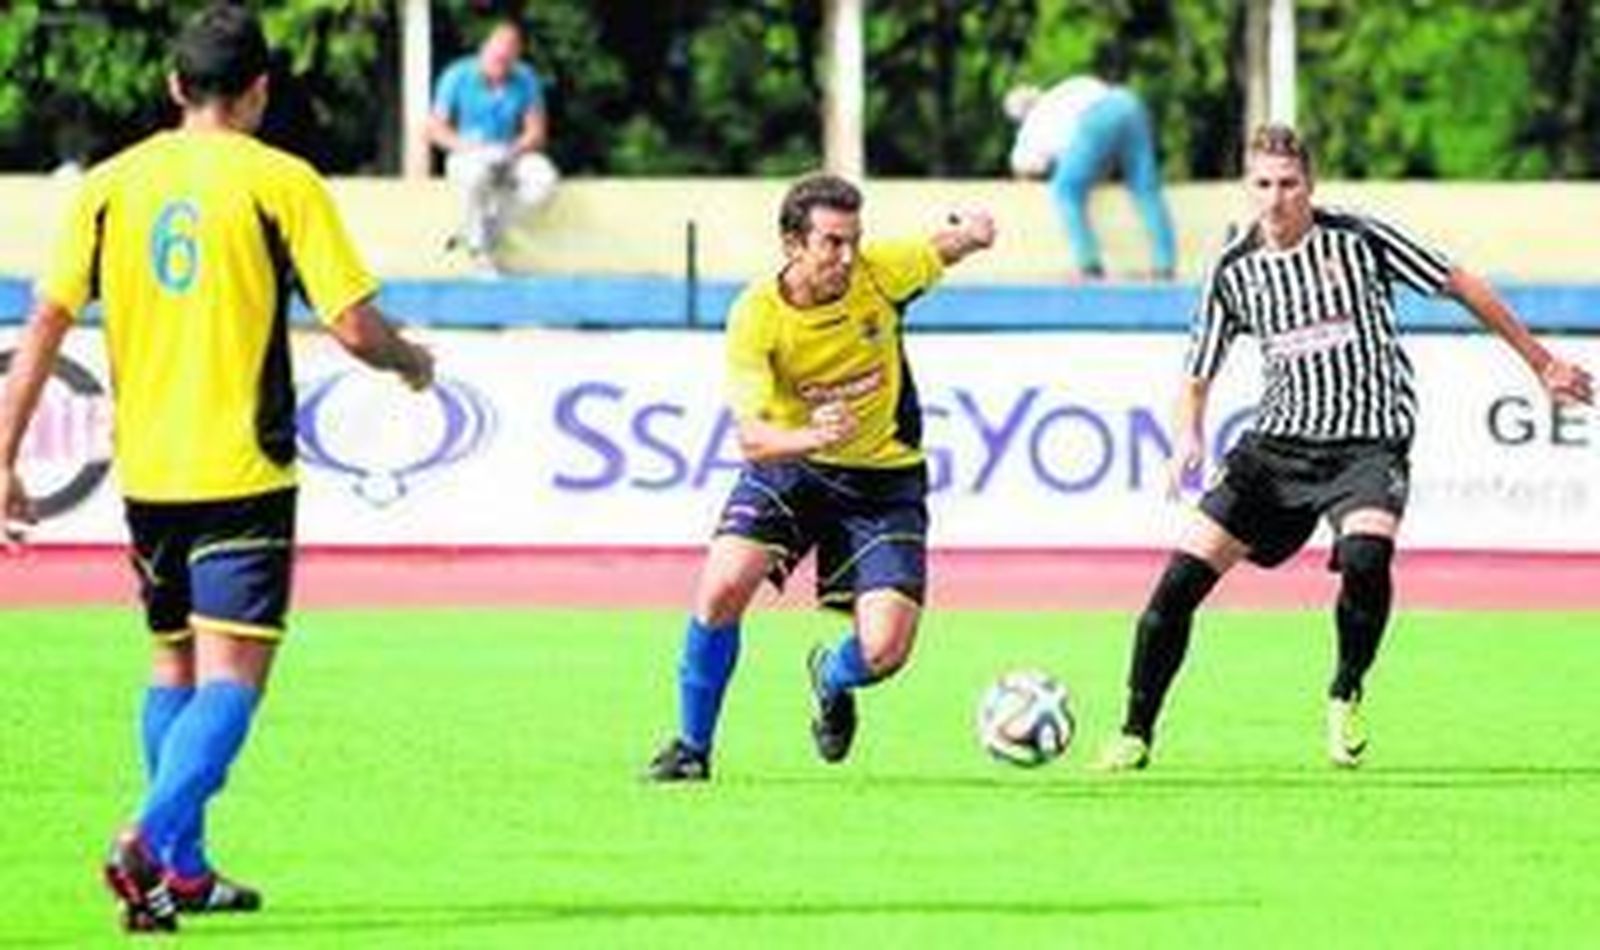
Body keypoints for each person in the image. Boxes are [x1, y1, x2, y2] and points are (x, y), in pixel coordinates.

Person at [0, 5, 434, 932]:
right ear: (259, 92)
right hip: (243, 467)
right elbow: (354, 327)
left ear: (173, 86)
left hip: (147, 473)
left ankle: (183, 873)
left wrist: (3, 457)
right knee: (235, 674)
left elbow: (44, 323)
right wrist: (412, 362)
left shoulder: (109, 185)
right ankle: (146, 839)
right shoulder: (282, 180)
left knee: (172, 662)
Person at [1092, 124, 1593, 773]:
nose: (1276, 198)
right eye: (1263, 184)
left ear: (1310, 184)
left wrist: (1542, 362)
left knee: (1365, 556)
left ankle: (1345, 689)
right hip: (1275, 450)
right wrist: (1187, 432)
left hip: (1368, 442)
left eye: (1288, 184)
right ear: (1247, 187)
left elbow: (1462, 283)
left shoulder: (1360, 239)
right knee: (1177, 585)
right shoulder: (1232, 269)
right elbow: (1196, 374)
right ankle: (1135, 733)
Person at [645, 174, 996, 781]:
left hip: (884, 480)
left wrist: (974, 233)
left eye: (854, 240)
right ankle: (691, 748)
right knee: (722, 586)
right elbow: (751, 437)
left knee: (885, 651)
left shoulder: (880, 273)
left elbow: (939, 248)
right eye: (832, 242)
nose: (847, 256)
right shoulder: (757, 314)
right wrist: (810, 437)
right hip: (791, 467)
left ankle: (831, 677)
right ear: (792, 244)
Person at [1005, 75, 1176, 281]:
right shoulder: (1065, 89)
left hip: (1097, 118)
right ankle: (1165, 265)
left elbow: (1022, 166)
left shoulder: (1032, 126)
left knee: (1065, 190)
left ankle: (1089, 264)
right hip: (1128, 103)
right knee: (1146, 190)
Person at [426, 19, 558, 268]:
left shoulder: (525, 77)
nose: (501, 64)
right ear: (484, 49)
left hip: (510, 150)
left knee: (544, 180)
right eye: (497, 57)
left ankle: (487, 228)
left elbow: (536, 132)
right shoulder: (457, 75)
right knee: (473, 175)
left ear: (516, 57)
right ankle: (479, 251)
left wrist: (512, 150)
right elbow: (434, 129)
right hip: (467, 150)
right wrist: (467, 147)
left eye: (508, 60)